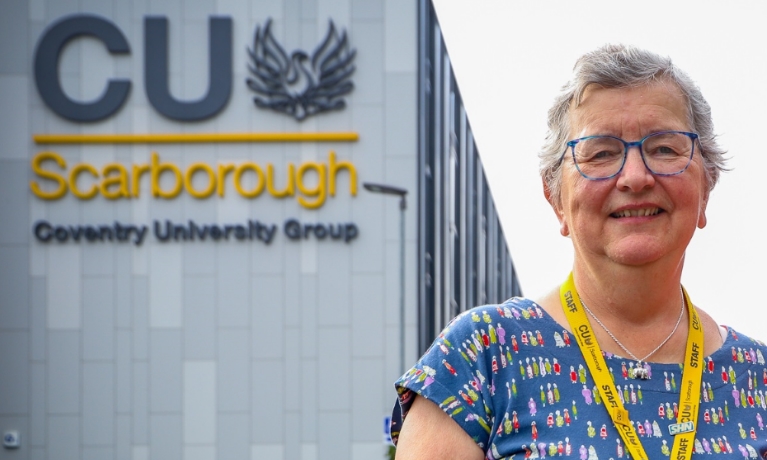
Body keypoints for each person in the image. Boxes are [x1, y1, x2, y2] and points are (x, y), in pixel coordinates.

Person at [391, 44, 767, 460]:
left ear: (706, 188)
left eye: (664, 148)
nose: (636, 177)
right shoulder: (482, 357)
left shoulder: (759, 379)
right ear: (555, 198)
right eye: (602, 153)